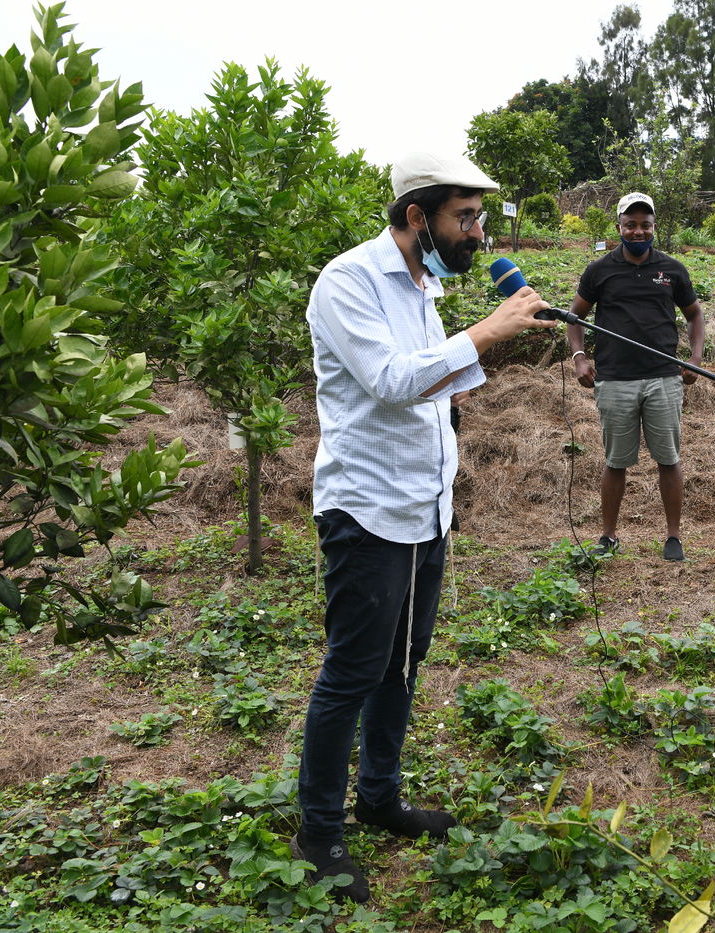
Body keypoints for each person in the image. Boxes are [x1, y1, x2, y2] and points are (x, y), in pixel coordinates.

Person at [296, 151, 554, 902]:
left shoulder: (424, 282)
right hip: (368, 507)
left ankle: (378, 796)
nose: (478, 232)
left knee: (402, 662)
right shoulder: (348, 281)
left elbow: (430, 376)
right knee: (352, 669)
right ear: (418, 217)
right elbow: (390, 380)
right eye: (464, 217)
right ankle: (320, 828)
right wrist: (490, 329)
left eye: (478, 218)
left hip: (425, 506)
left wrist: (469, 357)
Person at [567, 192, 705, 561]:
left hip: (663, 377)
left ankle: (673, 536)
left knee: (668, 459)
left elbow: (694, 315)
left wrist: (694, 357)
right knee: (616, 461)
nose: (638, 231)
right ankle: (608, 535)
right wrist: (580, 357)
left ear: (654, 227)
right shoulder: (599, 270)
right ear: (619, 227)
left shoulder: (673, 269)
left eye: (645, 224)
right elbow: (574, 317)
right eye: (631, 224)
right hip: (614, 379)